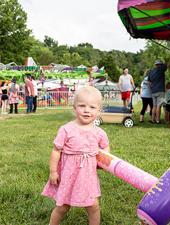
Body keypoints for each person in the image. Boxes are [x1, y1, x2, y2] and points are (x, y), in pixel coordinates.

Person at [42, 86, 110, 225]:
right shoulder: (66, 129)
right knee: (63, 206)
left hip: (88, 177)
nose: (86, 110)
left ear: (99, 111)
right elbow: (56, 150)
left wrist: (103, 161)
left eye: (92, 107)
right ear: (74, 108)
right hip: (69, 175)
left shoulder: (99, 133)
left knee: (93, 206)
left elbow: (105, 148)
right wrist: (53, 171)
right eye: (82, 106)